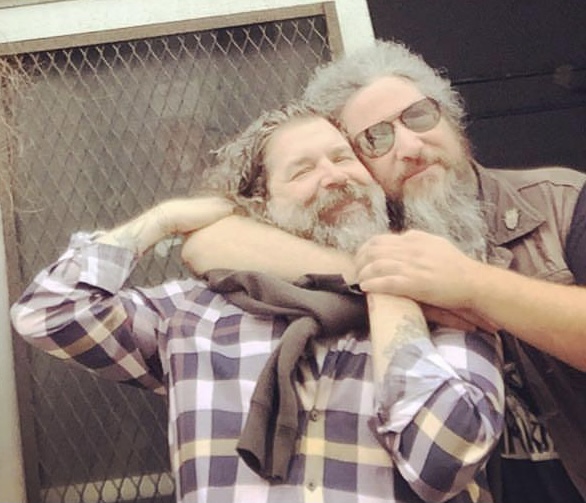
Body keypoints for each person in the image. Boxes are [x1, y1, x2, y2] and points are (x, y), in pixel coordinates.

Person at [11, 104, 504, 503]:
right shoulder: (193, 315)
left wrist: (389, 289)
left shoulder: (443, 304)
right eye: (303, 170)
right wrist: (163, 220)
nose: (333, 176)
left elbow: (444, 463)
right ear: (263, 206)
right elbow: (49, 311)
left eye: (342, 158)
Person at [180, 41, 586, 503]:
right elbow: (209, 243)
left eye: (419, 116)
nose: (411, 147)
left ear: (451, 118)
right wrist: (378, 272)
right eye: (376, 137)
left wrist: (472, 284)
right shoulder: (365, 232)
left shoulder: (558, 201)